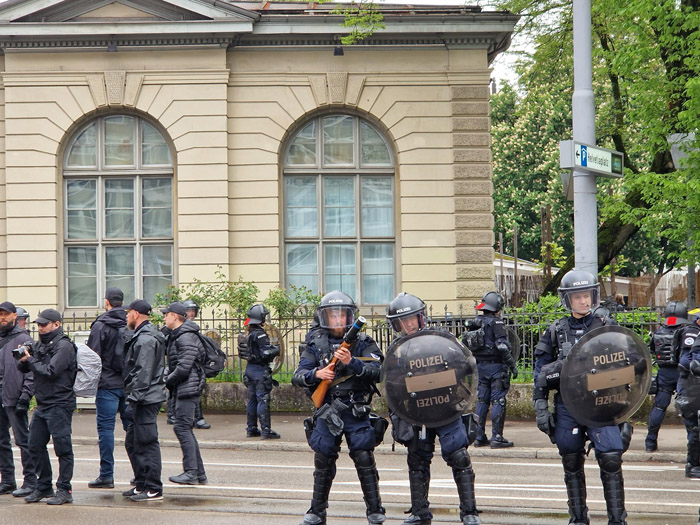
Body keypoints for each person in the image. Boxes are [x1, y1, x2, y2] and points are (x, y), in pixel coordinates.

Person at [533, 270, 629, 525]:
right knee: (571, 459)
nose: (584, 301)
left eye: (587, 295)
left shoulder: (607, 327)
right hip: (569, 405)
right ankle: (578, 519)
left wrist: (625, 411)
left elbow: (627, 365)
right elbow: (539, 372)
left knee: (610, 458)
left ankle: (617, 520)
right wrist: (541, 406)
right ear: (568, 300)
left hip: (601, 404)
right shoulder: (555, 331)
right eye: (578, 297)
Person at [387, 292, 481, 525]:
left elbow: (465, 365)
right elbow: (390, 385)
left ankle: (469, 512)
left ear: (421, 318)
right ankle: (420, 513)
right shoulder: (397, 351)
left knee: (459, 456)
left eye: (412, 318)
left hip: (445, 408)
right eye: (403, 321)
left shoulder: (441, 338)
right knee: (417, 460)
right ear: (396, 325)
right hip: (416, 412)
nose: (409, 324)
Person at [292, 291, 385, 525]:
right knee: (323, 459)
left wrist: (350, 362)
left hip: (355, 409)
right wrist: (317, 374)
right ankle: (317, 510)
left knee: (364, 457)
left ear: (349, 317)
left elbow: (380, 370)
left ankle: (375, 509)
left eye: (342, 316)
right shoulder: (315, 343)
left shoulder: (363, 342)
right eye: (333, 316)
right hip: (328, 411)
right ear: (325, 317)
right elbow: (298, 375)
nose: (337, 320)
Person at [17, 308, 77, 505]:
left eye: (44, 324)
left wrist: (31, 359)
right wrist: (23, 358)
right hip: (43, 404)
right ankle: (44, 487)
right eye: (39, 325)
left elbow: (50, 371)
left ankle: (64, 490)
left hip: (60, 403)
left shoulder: (64, 346)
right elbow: (27, 367)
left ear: (57, 324)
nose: (40, 328)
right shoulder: (40, 345)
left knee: (63, 449)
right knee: (34, 445)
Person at [122, 299, 167, 501]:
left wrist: (134, 399)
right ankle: (141, 483)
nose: (126, 316)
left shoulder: (146, 339)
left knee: (146, 442)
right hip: (143, 396)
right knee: (133, 442)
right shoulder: (142, 335)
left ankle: (154, 487)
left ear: (135, 314)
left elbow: (143, 372)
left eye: (128, 313)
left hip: (145, 398)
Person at [462, 291, 517, 448]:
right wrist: (512, 365)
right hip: (495, 367)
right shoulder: (496, 323)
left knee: (482, 401)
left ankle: (479, 436)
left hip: (480, 367)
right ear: (497, 308)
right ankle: (497, 437)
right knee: (498, 400)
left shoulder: (475, 322)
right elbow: (502, 347)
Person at [87, 287, 128, 489]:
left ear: (107, 302)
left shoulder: (100, 325)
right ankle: (141, 474)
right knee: (134, 429)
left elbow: (92, 357)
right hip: (128, 383)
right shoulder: (131, 323)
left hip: (107, 384)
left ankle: (107, 475)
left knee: (105, 430)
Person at [162, 301, 207, 485]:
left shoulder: (185, 337)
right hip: (185, 387)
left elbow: (183, 368)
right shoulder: (178, 335)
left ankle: (191, 472)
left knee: (182, 428)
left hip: (187, 388)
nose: (164, 318)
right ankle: (198, 473)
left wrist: (166, 380)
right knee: (184, 428)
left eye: (166, 315)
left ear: (175, 316)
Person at [0, 301, 35, 497]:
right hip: (1, 392)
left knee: (23, 440)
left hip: (14, 394)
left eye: (6, 314)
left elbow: (30, 370)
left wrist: (25, 395)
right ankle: (7, 480)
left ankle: (30, 481)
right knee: (1, 440)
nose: (2, 318)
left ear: (15, 316)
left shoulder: (24, 339)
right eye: (0, 314)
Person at [644, 301, 688, 452]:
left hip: (664, 373)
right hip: (682, 373)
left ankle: (650, 443)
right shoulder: (686, 331)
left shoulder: (659, 331)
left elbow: (651, 349)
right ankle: (692, 446)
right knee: (689, 410)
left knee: (659, 407)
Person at [243, 304, 280, 439]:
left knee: (252, 399)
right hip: (259, 370)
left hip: (249, 370)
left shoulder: (248, 333)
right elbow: (265, 353)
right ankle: (266, 430)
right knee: (262, 399)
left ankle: (251, 428)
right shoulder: (259, 334)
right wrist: (276, 350)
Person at [676, 307, 700, 478]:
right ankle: (692, 465)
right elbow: (685, 363)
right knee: (694, 429)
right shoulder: (692, 334)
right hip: (691, 388)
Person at [183, 299, 210, 430]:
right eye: (189, 310)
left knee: (193, 392)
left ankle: (195, 418)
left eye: (193, 311)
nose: (191, 313)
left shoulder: (191, 327)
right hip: (186, 364)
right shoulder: (182, 328)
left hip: (191, 364)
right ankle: (196, 418)